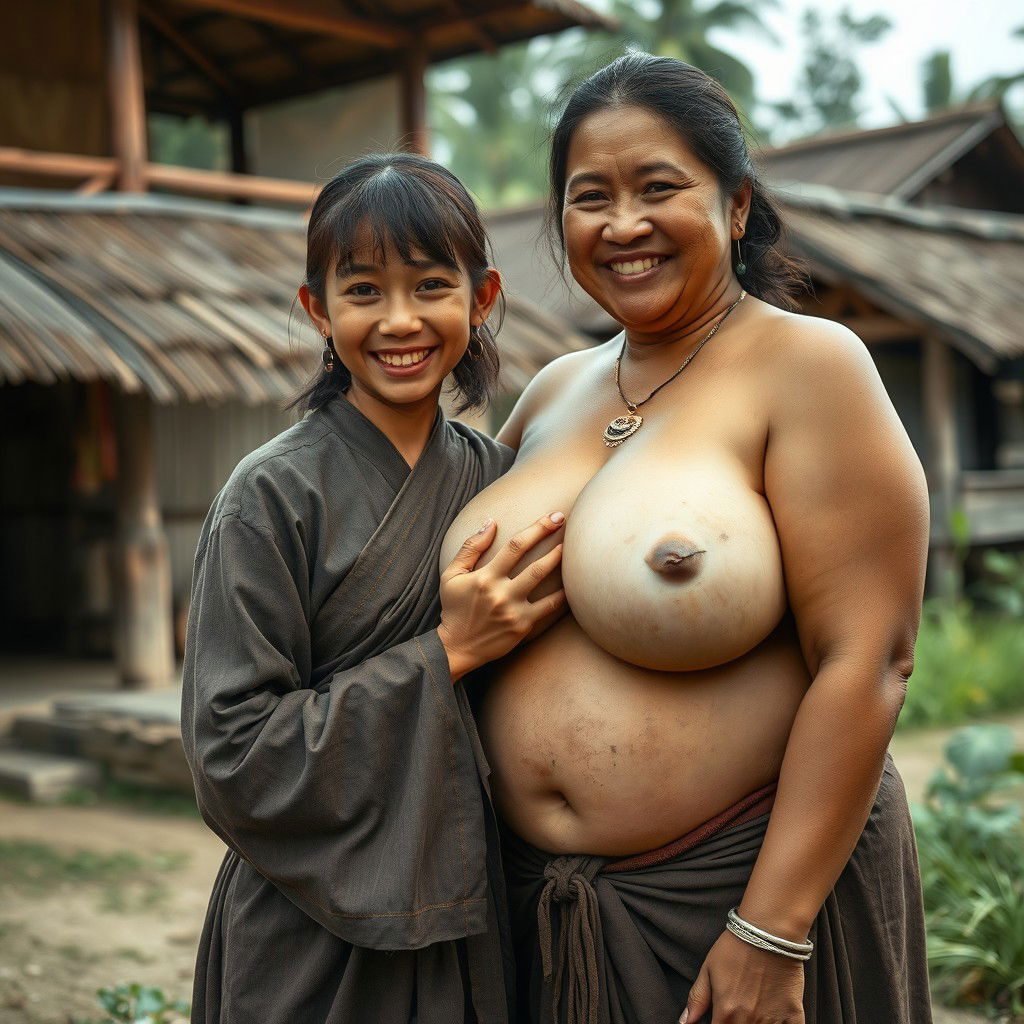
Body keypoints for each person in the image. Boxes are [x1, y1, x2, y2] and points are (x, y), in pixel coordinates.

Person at [440, 54, 932, 1024]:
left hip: (730, 894)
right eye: (590, 196)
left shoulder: (806, 364)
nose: (621, 224)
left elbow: (867, 659)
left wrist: (770, 929)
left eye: (657, 187)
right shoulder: (550, 390)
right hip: (536, 904)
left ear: (736, 205)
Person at [181, 153, 568, 1024]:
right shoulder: (268, 496)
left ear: (483, 296)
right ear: (318, 307)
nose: (400, 321)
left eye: (431, 285)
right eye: (363, 292)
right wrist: (448, 652)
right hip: (308, 929)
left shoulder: (500, 481)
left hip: (469, 911)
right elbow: (233, 756)